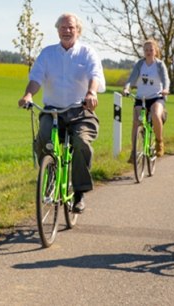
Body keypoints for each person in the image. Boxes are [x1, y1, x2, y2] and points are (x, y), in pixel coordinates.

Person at [18, 12, 106, 213]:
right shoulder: (47, 54)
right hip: (52, 111)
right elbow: (36, 77)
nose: (67, 31)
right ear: (57, 30)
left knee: (81, 143)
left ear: (78, 31)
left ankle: (79, 193)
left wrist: (91, 92)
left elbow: (95, 75)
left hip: (80, 110)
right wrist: (28, 95)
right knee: (43, 138)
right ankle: (49, 176)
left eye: (71, 28)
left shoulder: (87, 52)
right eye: (63, 27)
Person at [123, 39, 170, 157]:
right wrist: (127, 88)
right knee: (136, 122)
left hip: (156, 97)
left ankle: (159, 142)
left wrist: (165, 89)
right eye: (146, 50)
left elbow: (166, 79)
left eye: (151, 50)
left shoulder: (159, 65)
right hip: (141, 98)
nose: (148, 52)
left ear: (156, 51)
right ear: (143, 51)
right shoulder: (140, 64)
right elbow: (131, 79)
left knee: (155, 114)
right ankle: (134, 152)